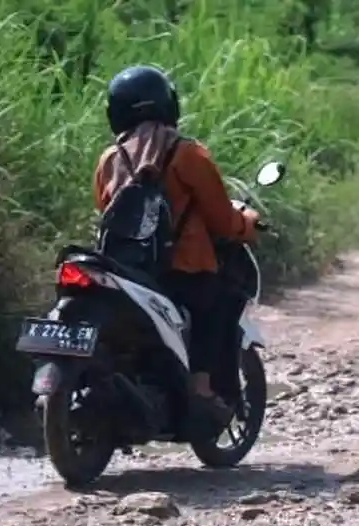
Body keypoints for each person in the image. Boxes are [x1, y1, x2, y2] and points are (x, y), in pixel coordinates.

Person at [91, 64, 259, 426]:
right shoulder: (188, 154)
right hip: (181, 270)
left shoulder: (110, 158)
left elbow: (107, 210)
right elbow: (221, 220)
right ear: (168, 105)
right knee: (217, 306)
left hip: (126, 270)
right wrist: (247, 224)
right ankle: (201, 388)